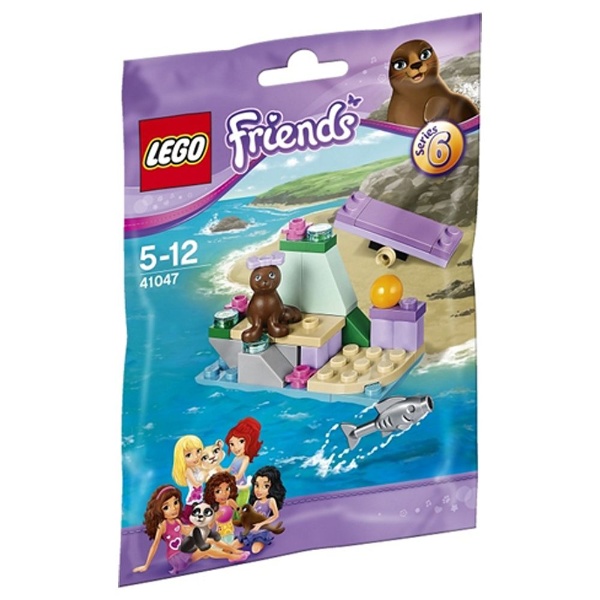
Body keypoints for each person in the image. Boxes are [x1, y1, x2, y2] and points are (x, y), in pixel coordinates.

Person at [237, 465, 286, 554]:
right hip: (250, 530)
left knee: (255, 550)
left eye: (265, 486)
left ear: (272, 487)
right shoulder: (256, 502)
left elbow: (276, 515)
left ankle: (262, 541)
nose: (259, 490)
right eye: (257, 485)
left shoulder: (270, 501)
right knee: (234, 545)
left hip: (261, 532)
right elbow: (251, 514)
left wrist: (260, 524)